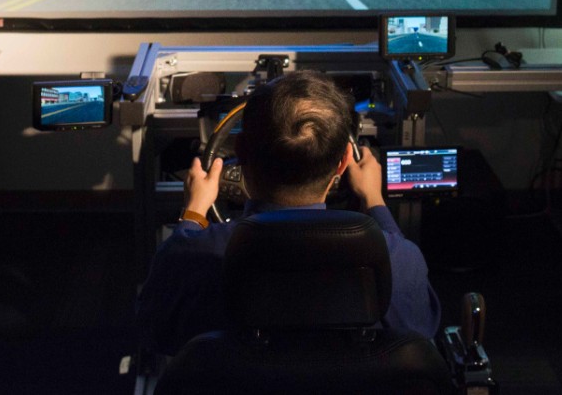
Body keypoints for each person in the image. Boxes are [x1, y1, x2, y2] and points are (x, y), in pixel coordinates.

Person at [135, 69, 442, 356]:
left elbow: (154, 331)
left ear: (240, 150)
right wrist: (374, 198)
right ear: (343, 162)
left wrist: (193, 212)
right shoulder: (397, 260)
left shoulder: (193, 254)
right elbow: (419, 332)